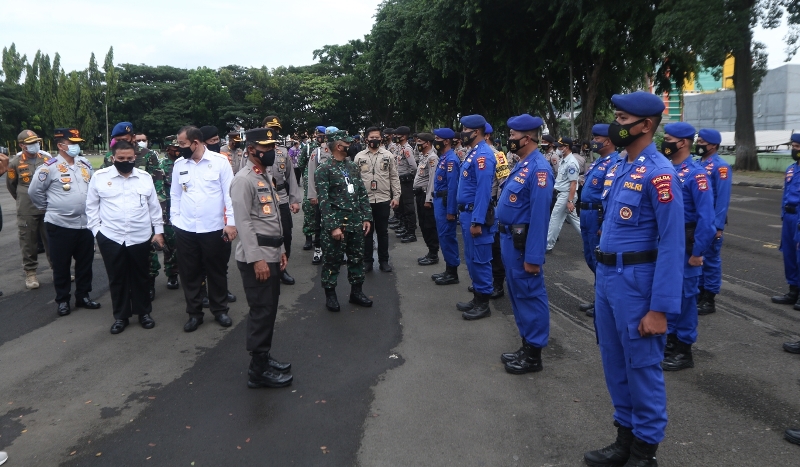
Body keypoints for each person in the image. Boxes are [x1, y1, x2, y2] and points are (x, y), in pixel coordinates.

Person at [583, 91, 684, 467]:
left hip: (637, 281)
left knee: (641, 366)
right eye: (617, 118)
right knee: (614, 361)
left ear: (646, 125)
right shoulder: (621, 166)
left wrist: (659, 309)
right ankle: (624, 438)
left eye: (623, 119)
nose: (616, 126)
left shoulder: (660, 173)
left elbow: (672, 245)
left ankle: (645, 451)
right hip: (609, 278)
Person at [231, 127, 293, 389]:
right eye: (266, 148)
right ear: (251, 150)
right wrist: (257, 259)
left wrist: (280, 251)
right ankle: (257, 371)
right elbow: (243, 223)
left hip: (270, 252)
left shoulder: (264, 175)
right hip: (256, 256)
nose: (270, 152)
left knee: (268, 309)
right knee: (261, 311)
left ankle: (264, 358)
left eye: (271, 148)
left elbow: (273, 220)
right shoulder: (243, 180)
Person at [86, 140, 165, 334]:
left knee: (141, 276)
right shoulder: (100, 177)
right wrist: (97, 232)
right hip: (111, 237)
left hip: (140, 236)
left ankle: (143, 313)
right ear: (113, 158)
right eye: (121, 158)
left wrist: (159, 232)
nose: (126, 161)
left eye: (130, 158)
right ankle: (121, 316)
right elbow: (91, 207)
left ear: (135, 158)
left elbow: (154, 207)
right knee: (117, 278)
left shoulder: (144, 177)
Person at [496, 114, 554, 374]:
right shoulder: (524, 164)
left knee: (530, 295)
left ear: (526, 138)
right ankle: (525, 345)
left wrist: (534, 256)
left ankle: (534, 355)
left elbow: (541, 217)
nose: (509, 140)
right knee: (518, 295)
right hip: (510, 240)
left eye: (512, 136)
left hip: (523, 245)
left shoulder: (540, 169)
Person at [660, 122, 715, 372]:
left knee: (685, 298)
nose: (665, 142)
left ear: (682, 143)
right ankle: (670, 342)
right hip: (667, 245)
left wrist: (697, 253)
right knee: (668, 294)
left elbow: (706, 220)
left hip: (687, 244)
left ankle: (684, 350)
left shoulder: (696, 174)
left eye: (669, 138)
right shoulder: (668, 169)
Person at [28, 128, 102, 317]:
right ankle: (62, 300)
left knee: (85, 263)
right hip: (60, 224)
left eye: (77, 143)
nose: (76, 146)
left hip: (85, 223)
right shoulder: (48, 167)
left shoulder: (85, 164)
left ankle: (83, 296)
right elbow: (34, 192)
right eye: (72, 143)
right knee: (61, 265)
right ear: (61, 145)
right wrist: (49, 207)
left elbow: (92, 188)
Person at [171, 126, 237, 332]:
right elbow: (175, 195)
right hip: (186, 228)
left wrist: (231, 223)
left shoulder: (220, 162)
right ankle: (194, 313)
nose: (178, 148)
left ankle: (220, 310)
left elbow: (230, 194)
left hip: (214, 227)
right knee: (190, 273)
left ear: (196, 143)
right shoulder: (179, 164)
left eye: (182, 144)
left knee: (216, 271)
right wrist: (175, 220)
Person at [314, 130, 373, 312]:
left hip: (355, 222)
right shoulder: (324, 170)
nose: (352, 146)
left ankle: (356, 292)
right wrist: (333, 227)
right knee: (332, 260)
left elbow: (362, 193)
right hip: (337, 224)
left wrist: (366, 216)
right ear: (339, 146)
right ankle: (330, 295)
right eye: (348, 143)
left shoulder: (352, 166)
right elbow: (323, 202)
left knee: (357, 258)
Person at [454, 115, 497, 320]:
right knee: (471, 259)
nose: (462, 133)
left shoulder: (483, 156)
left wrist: (477, 220)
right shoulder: (473, 153)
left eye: (465, 129)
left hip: (475, 215)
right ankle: (477, 297)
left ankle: (483, 303)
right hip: (467, 213)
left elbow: (483, 190)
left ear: (476, 132)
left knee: (480, 260)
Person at [577, 124, 620, 317]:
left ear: (608, 141)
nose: (593, 142)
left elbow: (611, 196)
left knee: (599, 261)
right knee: (590, 257)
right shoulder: (598, 162)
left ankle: (604, 303)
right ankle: (599, 298)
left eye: (597, 138)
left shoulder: (614, 162)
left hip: (598, 215)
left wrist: (605, 224)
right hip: (587, 214)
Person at [7, 130, 53, 289]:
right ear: (22, 145)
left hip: (48, 206)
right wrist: (22, 199)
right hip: (27, 208)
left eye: (36, 142)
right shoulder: (14, 162)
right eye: (30, 143)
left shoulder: (47, 159)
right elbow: (12, 186)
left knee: (52, 239)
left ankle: (58, 269)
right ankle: (31, 273)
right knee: (28, 241)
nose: (35, 145)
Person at [695, 128, 731, 315]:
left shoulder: (721, 167)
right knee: (697, 259)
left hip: (710, 223)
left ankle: (709, 299)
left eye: (703, 142)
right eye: (698, 141)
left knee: (710, 261)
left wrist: (717, 226)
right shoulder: (695, 163)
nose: (699, 144)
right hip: (696, 222)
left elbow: (722, 199)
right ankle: (698, 295)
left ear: (713, 145)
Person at [354, 126, 401, 273]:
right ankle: (367, 261)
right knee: (366, 232)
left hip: (383, 199)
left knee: (383, 232)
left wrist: (397, 196)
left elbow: (394, 177)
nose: (374, 140)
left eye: (377, 137)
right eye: (371, 137)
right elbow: (354, 180)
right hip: (365, 200)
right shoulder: (359, 156)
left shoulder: (388, 155)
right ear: (366, 139)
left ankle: (384, 261)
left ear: (381, 138)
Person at [263, 116, 302, 285]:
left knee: (286, 234)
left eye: (276, 130)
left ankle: (281, 269)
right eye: (270, 128)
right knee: (264, 235)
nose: (274, 132)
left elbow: (291, 178)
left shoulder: (283, 152)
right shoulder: (252, 151)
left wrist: (294, 199)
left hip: (281, 197)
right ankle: (265, 268)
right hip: (261, 198)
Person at [430, 128, 462, 285]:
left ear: (447, 141)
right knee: (443, 236)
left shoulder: (451, 160)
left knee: (447, 237)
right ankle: (449, 269)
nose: (435, 141)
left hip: (445, 203)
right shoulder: (443, 158)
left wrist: (451, 210)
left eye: (438, 138)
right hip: (439, 201)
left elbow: (452, 187)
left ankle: (452, 272)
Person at [483, 123, 511, 299]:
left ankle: (498, 283)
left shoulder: (498, 156)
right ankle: (485, 281)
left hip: (492, 206)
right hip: (480, 206)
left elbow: (504, 183)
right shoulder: (474, 155)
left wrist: (498, 206)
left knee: (495, 246)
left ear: (486, 136)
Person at [773, 133, 800, 307]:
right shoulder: (791, 168)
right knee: (789, 255)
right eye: (793, 146)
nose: (794, 149)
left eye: (797, 147)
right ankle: (793, 291)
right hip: (789, 217)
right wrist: (783, 214)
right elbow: (786, 193)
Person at [151, 136, 181, 291]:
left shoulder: (184, 162)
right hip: (168, 211)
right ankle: (172, 274)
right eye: (175, 148)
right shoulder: (162, 166)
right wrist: (163, 216)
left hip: (185, 210)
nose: (178, 150)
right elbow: (159, 192)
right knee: (170, 246)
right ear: (168, 148)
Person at [546, 137, 581, 251]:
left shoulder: (571, 163)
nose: (558, 148)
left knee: (555, 218)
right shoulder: (563, 159)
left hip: (566, 195)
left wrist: (570, 201)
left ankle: (548, 245)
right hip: (563, 194)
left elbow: (573, 183)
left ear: (566, 147)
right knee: (575, 221)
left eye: (560, 147)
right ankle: (592, 241)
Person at [306, 127, 335, 265]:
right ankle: (318, 249)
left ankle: (337, 251)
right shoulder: (317, 152)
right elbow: (311, 174)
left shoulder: (341, 152)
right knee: (319, 223)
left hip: (337, 196)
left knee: (339, 223)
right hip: (321, 195)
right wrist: (312, 195)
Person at [299, 126, 326, 250]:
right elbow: (301, 163)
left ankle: (319, 238)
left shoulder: (328, 147)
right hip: (310, 180)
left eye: (322, 134)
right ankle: (308, 238)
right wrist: (307, 175)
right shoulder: (308, 147)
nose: (320, 136)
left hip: (324, 182)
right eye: (318, 134)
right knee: (310, 210)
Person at [412, 132, 439, 252]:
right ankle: (430, 251)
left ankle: (433, 253)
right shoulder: (424, 156)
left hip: (425, 196)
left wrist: (429, 199)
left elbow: (433, 181)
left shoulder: (432, 158)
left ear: (427, 143)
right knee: (422, 225)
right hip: (419, 195)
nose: (417, 145)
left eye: (419, 143)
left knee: (429, 226)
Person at [391, 126, 418, 240]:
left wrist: (409, 176)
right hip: (400, 180)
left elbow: (413, 166)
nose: (395, 137)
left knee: (408, 206)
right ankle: (405, 226)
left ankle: (411, 232)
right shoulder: (400, 148)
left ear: (404, 136)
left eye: (398, 135)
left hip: (406, 181)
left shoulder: (407, 149)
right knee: (401, 205)